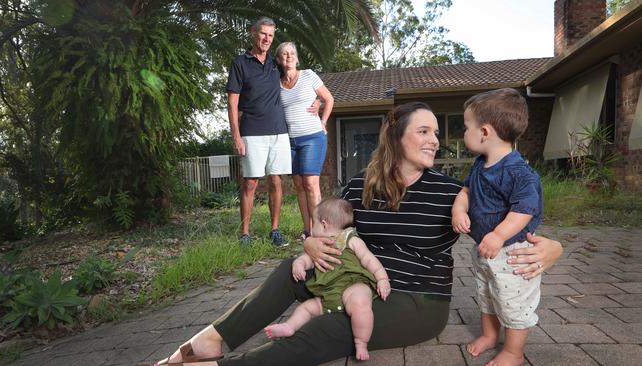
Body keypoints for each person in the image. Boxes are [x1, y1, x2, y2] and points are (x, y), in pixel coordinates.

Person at [154, 102, 563, 366]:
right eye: (423, 131)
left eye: (436, 132)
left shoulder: (451, 193)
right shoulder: (357, 187)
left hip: (415, 300)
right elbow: (323, 225)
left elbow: (506, 226)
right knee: (291, 271)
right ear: (396, 136)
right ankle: (212, 339)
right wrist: (310, 242)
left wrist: (554, 247)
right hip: (354, 281)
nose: (434, 139)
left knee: (334, 322)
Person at [451, 88, 543, 366]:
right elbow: (466, 191)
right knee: (487, 295)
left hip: (513, 252)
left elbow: (526, 208)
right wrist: (459, 208)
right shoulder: (480, 165)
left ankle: (514, 352)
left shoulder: (517, 171)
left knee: (513, 301)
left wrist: (499, 234)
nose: (463, 133)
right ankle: (490, 336)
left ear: (485, 132)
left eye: (466, 127)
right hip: (485, 249)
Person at [264, 198, 390, 361]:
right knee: (307, 308)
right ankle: (289, 326)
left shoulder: (351, 240)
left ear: (324, 224)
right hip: (328, 295)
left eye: (313, 223)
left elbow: (369, 259)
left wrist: (382, 279)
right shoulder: (319, 245)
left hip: (352, 284)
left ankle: (361, 342)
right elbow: (307, 259)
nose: (312, 229)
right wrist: (299, 264)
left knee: (361, 304)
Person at [226, 17, 290, 247]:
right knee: (250, 183)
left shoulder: (277, 64)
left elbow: (296, 80)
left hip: (278, 131)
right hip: (251, 132)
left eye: (271, 35)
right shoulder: (240, 63)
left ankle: (275, 230)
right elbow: (232, 103)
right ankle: (244, 234)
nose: (266, 39)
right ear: (253, 33)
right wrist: (236, 136)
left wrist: (316, 102)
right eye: (263, 34)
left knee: (276, 180)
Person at [275, 42, 334, 241]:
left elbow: (328, 98)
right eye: (284, 54)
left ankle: (319, 229)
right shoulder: (277, 83)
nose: (289, 56)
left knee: (310, 183)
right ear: (279, 59)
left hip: (312, 137)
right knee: (299, 185)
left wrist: (323, 120)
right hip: (289, 142)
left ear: (297, 58)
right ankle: (308, 229)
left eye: (292, 53)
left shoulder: (308, 75)